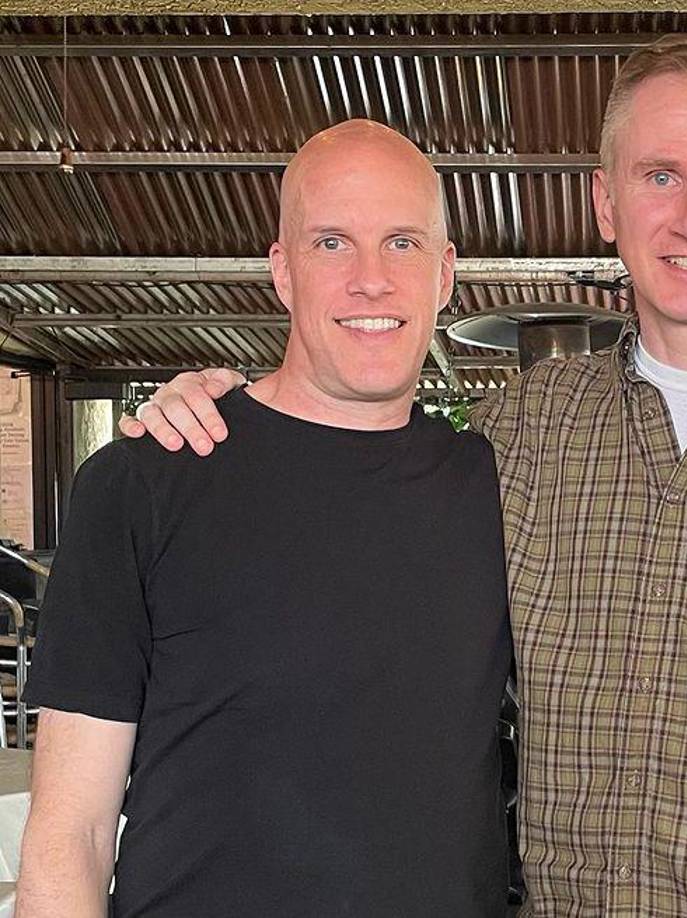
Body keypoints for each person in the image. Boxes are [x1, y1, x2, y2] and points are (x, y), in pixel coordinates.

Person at [120, 36, 687, 916]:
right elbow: (350, 466)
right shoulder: (523, 430)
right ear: (605, 204)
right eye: (658, 176)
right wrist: (222, 409)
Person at [18, 121, 512, 917]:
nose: (370, 280)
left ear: (445, 272)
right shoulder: (145, 480)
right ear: (281, 271)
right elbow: (68, 834)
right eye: (330, 244)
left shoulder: (496, 490)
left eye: (402, 243)